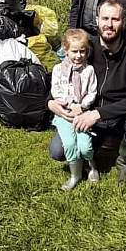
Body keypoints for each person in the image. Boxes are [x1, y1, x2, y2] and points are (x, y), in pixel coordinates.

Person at [48, 0, 126, 186]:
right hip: (87, 117)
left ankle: (124, 163)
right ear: (97, 20)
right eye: (105, 18)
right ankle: (94, 152)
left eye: (115, 19)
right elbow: (63, 72)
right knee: (58, 151)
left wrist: (98, 114)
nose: (109, 24)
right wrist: (51, 102)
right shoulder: (87, 47)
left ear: (123, 21)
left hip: (121, 117)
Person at [50, 29, 99, 190]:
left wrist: (82, 105)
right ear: (66, 50)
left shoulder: (89, 70)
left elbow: (92, 92)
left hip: (82, 113)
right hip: (65, 113)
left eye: (82, 51)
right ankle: (75, 175)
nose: (78, 56)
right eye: (74, 51)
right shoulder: (58, 70)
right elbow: (55, 91)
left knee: (85, 146)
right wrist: (70, 105)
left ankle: (91, 165)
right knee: (70, 144)